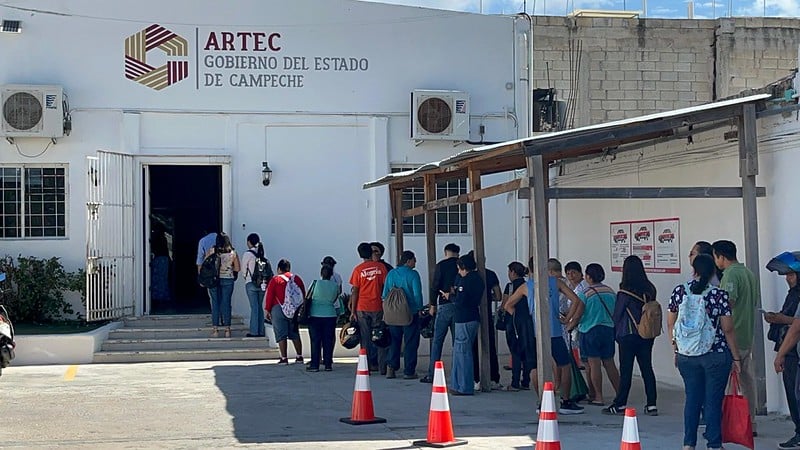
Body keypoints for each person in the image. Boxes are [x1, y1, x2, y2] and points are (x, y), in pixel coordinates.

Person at [668, 254, 741, 450]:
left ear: (694, 271)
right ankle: (714, 444)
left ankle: (688, 443)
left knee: (692, 398)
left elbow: (671, 324)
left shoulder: (679, 292)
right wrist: (736, 357)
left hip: (686, 355)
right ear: (713, 273)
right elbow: (728, 329)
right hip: (715, 354)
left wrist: (676, 348)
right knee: (713, 400)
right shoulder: (719, 295)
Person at [505, 258, 585, 414]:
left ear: (529, 269)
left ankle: (541, 402)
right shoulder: (556, 283)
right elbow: (576, 300)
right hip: (554, 330)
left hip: (533, 332)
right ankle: (565, 401)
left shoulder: (525, 286)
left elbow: (508, 305)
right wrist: (567, 318)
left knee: (534, 367)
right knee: (565, 365)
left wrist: (523, 321)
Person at [713, 239, 760, 435]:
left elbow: (727, 304)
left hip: (733, 335)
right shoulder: (748, 272)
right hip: (747, 333)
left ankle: (732, 424)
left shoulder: (730, 274)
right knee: (747, 379)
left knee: (726, 381)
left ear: (721, 257)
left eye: (716, 257)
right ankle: (751, 422)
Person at [603, 255, 658, 416]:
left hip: (628, 335)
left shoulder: (624, 292)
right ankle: (652, 404)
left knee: (626, 370)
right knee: (647, 368)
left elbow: (617, 314)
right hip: (646, 334)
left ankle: (620, 403)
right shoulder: (650, 289)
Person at [765, 253, 800, 449]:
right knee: (792, 393)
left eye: (791, 275)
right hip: (790, 349)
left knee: (796, 394)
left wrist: (780, 319)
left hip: (793, 351)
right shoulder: (793, 294)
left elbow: (796, 325)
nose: (787, 278)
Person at [572, 263, 620, 406]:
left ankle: (597, 396)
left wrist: (570, 325)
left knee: (593, 365)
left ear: (588, 276)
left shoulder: (585, 293)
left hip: (589, 331)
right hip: (608, 330)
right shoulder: (611, 291)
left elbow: (578, 314)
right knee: (610, 363)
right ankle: (620, 394)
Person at [439, 253, 483, 395]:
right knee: (462, 351)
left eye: (459, 268)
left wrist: (449, 296)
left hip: (464, 318)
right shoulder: (478, 279)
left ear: (463, 267)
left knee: (462, 353)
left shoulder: (465, 281)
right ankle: (458, 384)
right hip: (472, 317)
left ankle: (464, 386)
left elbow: (460, 301)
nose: (458, 271)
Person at [421, 243, 460, 384]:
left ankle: (432, 374)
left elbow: (434, 285)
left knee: (437, 341)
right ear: (458, 253)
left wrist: (432, 304)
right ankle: (457, 374)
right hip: (459, 306)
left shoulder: (441, 265)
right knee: (458, 343)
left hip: (444, 306)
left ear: (445, 252)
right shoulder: (461, 265)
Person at [382, 250, 423, 379]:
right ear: (408, 261)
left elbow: (385, 294)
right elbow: (417, 294)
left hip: (393, 314)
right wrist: (419, 308)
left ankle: (391, 367)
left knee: (394, 340)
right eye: (414, 259)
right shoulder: (413, 275)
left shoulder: (391, 274)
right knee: (410, 342)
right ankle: (409, 371)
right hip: (410, 313)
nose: (415, 262)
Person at [349, 242, 388, 373]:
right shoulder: (381, 268)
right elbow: (386, 287)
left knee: (365, 338)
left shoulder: (358, 270)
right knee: (379, 336)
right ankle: (382, 367)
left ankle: (366, 367)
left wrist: (353, 310)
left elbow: (355, 291)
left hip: (362, 307)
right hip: (378, 307)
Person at [501, 261, 535, 392]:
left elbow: (505, 304)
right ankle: (526, 381)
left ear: (513, 272)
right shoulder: (528, 285)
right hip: (528, 321)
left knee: (515, 352)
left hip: (513, 322)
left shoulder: (510, 287)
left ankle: (515, 382)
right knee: (527, 351)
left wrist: (513, 314)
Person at [265, 259, 306, 365]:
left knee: (281, 333)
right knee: (295, 332)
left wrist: (267, 310)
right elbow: (302, 294)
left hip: (278, 309)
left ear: (279, 269)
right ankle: (299, 356)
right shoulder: (296, 279)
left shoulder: (275, 280)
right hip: (295, 310)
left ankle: (284, 358)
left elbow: (269, 296)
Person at [472, 260, 503, 391]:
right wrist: (489, 297)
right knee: (490, 346)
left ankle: (476, 378)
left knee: (473, 348)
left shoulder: (469, 276)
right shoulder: (490, 274)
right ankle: (494, 378)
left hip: (472, 314)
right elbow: (499, 295)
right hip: (486, 315)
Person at [307, 264, 341, 372]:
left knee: (315, 340)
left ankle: (315, 364)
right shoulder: (335, 285)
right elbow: (335, 298)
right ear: (331, 275)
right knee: (328, 340)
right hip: (330, 314)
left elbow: (308, 296)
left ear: (321, 273)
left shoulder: (315, 283)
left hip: (315, 314)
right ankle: (328, 364)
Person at [205, 232, 239, 338]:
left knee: (215, 304)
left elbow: (206, 265)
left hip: (214, 280)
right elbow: (237, 268)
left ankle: (215, 330)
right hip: (228, 279)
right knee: (226, 304)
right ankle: (227, 330)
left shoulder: (211, 251)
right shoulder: (233, 253)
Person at [241, 233, 266, 337]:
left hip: (251, 283)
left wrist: (246, 277)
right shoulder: (261, 252)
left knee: (254, 307)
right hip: (262, 284)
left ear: (249, 242)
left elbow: (243, 269)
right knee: (259, 307)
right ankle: (261, 331)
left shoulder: (248, 254)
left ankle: (254, 331)